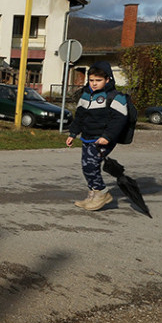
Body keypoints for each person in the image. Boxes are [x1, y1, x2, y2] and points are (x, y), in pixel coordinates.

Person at [66, 61, 129, 212]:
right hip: (87, 137)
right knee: (86, 167)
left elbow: (119, 119)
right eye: (91, 80)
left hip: (102, 138)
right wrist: (73, 133)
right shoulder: (85, 95)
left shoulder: (115, 97)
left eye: (98, 80)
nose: (94, 84)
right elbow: (79, 116)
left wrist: (108, 136)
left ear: (108, 80)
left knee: (91, 165)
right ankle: (93, 194)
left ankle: (102, 193)